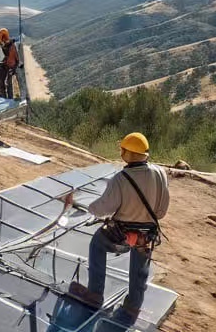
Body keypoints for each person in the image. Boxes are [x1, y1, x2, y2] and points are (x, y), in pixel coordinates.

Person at [67, 131, 169, 321]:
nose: (121, 152)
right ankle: (133, 307)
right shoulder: (160, 174)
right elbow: (161, 212)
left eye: (123, 149)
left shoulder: (120, 179)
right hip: (146, 235)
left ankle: (95, 294)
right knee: (140, 266)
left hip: (120, 234)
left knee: (97, 243)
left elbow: (102, 209)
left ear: (128, 154)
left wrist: (87, 205)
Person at [0, 28, 20, 99]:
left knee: (4, 84)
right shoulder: (12, 45)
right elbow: (16, 58)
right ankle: (9, 98)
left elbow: (2, 58)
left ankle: (4, 98)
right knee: (7, 84)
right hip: (10, 67)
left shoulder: (6, 46)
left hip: (6, 67)